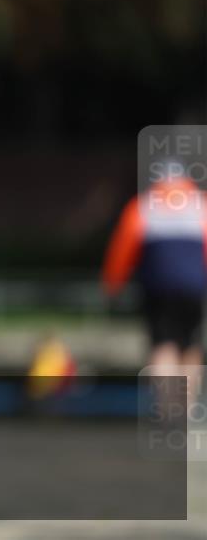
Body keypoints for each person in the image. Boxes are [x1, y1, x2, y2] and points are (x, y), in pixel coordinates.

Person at [102, 159, 206, 394]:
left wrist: (112, 286)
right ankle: (186, 410)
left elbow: (122, 252)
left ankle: (169, 409)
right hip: (193, 287)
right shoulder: (201, 205)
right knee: (190, 344)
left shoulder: (142, 206)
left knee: (163, 344)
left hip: (158, 288)